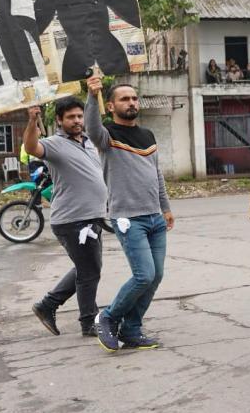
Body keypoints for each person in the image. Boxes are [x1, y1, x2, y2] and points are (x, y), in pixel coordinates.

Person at [86, 77, 174, 352]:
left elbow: (156, 173)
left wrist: (166, 207)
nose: (132, 102)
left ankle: (132, 329)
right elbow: (91, 126)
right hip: (127, 217)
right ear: (111, 106)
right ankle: (108, 317)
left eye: (134, 98)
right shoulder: (107, 136)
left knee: (155, 275)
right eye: (125, 99)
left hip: (154, 217)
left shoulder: (147, 136)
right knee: (143, 275)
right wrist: (91, 95)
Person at [24, 97, 108, 338]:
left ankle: (47, 305)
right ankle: (88, 322)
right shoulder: (53, 144)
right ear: (59, 120)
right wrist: (32, 121)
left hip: (93, 218)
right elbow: (31, 147)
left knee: (89, 268)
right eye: (71, 117)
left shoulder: (89, 142)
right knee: (89, 271)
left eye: (79, 116)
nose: (77, 121)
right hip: (73, 220)